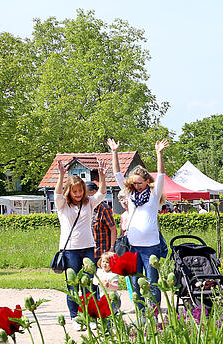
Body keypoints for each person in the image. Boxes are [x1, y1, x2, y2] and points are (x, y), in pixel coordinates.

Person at [110, 137, 169, 311]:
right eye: (134, 183)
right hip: (133, 245)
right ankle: (141, 311)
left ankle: (155, 312)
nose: (136, 186)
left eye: (139, 183)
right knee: (135, 281)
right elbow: (117, 174)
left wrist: (159, 154)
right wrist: (114, 152)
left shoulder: (154, 194)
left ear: (147, 181)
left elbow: (161, 175)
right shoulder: (130, 195)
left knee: (152, 281)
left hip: (151, 246)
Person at [53, 159, 107, 325]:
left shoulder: (88, 203)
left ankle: (91, 315)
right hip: (70, 249)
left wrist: (102, 177)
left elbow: (102, 193)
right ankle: (74, 316)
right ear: (69, 191)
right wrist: (61, 175)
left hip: (88, 247)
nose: (78, 194)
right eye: (74, 191)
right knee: (73, 284)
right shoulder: (63, 205)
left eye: (80, 191)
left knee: (90, 283)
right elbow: (57, 194)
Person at [88, 178, 116, 262]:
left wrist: (112, 248)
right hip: (89, 251)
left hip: (102, 252)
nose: (87, 196)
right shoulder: (86, 207)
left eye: (89, 193)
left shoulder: (104, 208)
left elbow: (113, 228)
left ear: (95, 192)